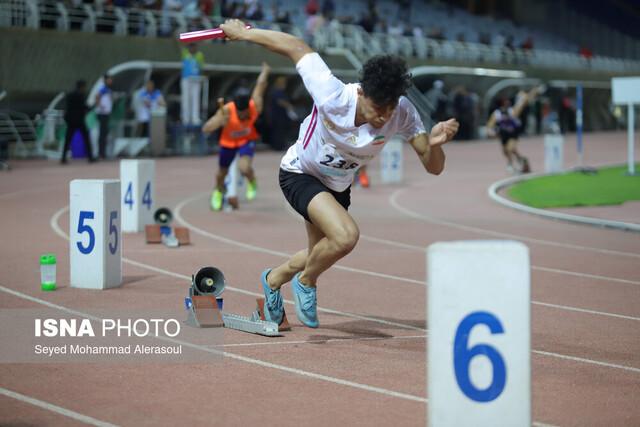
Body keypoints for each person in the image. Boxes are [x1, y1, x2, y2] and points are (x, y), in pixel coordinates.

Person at [218, 19, 459, 328]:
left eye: (389, 109)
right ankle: (306, 283)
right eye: (377, 108)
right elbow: (295, 46)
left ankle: (274, 279)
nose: (383, 116)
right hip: (300, 173)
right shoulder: (333, 94)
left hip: (337, 186)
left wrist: (436, 144)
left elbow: (433, 166)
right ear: (361, 92)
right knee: (346, 236)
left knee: (317, 251)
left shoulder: (402, 112)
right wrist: (245, 34)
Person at [202, 62, 270, 211]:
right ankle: (218, 191)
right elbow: (206, 128)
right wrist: (219, 121)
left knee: (244, 167)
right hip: (228, 142)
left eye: (244, 112)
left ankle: (252, 181)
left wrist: (265, 71)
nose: (242, 115)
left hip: (246, 140)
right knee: (221, 173)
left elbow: (260, 86)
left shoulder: (255, 106)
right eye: (239, 113)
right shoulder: (226, 111)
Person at [486, 86, 541, 174]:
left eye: (507, 103)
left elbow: (522, 104)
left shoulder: (512, 111)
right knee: (507, 152)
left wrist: (527, 95)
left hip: (513, 133)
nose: (506, 104)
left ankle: (510, 165)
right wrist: (490, 131)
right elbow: (490, 124)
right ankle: (523, 161)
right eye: (504, 103)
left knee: (510, 149)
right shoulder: (497, 114)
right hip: (503, 134)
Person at [61, 80, 94, 164]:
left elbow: (67, 107)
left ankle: (63, 158)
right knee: (86, 138)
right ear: (82, 87)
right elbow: (84, 107)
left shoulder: (69, 95)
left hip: (71, 120)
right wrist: (93, 106)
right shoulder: (80, 96)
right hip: (79, 120)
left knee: (68, 139)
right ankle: (90, 157)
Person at [181, 43, 205, 126]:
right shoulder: (185, 53)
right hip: (186, 79)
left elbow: (201, 67)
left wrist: (201, 77)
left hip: (195, 79)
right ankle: (185, 118)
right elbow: (179, 44)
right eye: (191, 46)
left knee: (196, 99)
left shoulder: (200, 55)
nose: (192, 48)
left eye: (194, 46)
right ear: (188, 47)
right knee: (186, 99)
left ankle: (195, 118)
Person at [94, 74, 113, 159]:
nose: (111, 81)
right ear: (105, 80)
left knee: (104, 133)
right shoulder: (102, 88)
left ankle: (103, 152)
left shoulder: (108, 89)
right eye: (109, 79)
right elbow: (97, 97)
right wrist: (100, 106)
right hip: (102, 113)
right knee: (102, 133)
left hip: (106, 113)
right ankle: (101, 153)